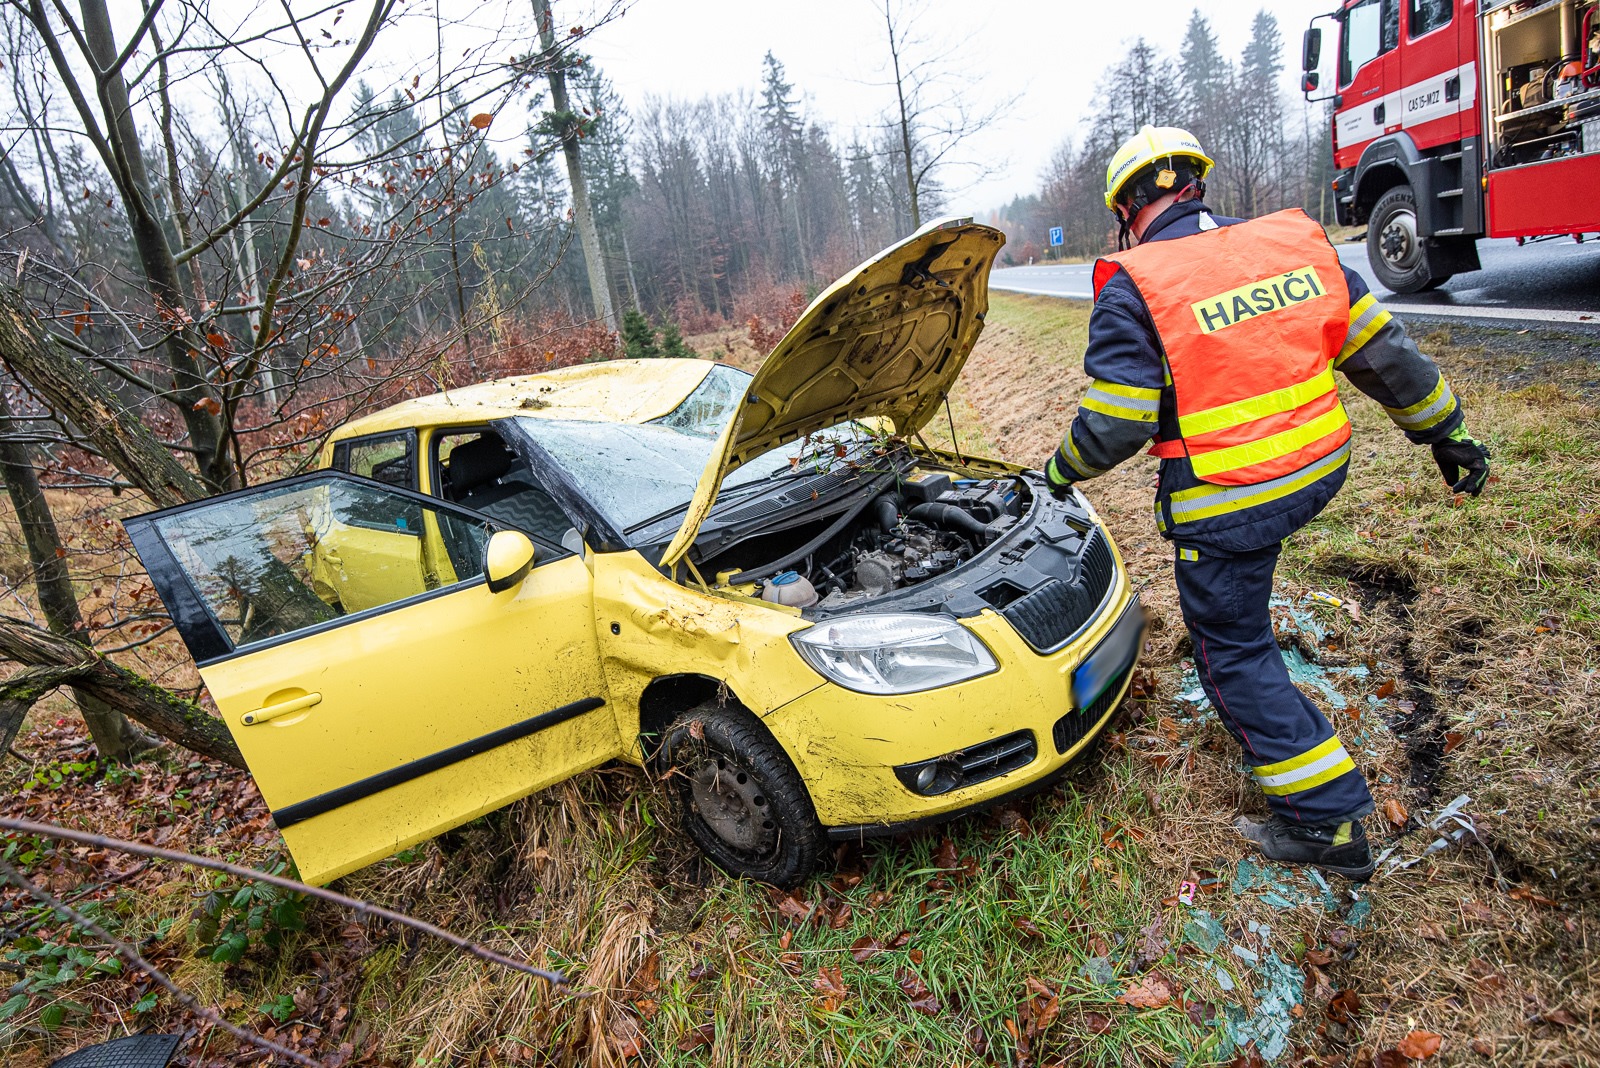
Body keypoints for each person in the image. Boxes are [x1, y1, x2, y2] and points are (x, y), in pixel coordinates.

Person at [1045, 125, 1490, 880]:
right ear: (1197, 185)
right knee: (1247, 612)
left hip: (1229, 502)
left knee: (1234, 652)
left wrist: (1058, 472)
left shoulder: (1136, 284)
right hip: (1314, 471)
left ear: (1125, 208)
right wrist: (1447, 433)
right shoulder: (1290, 248)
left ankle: (1329, 823)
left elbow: (1117, 422)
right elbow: (1385, 353)